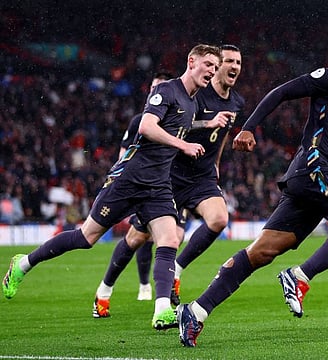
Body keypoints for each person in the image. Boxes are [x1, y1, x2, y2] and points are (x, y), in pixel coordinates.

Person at [176, 27, 328, 347]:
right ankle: (299, 277)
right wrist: (248, 128)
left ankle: (196, 310)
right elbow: (282, 92)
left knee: (262, 252)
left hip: (319, 179)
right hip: (314, 169)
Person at [2, 44, 222, 331]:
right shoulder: (167, 90)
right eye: (208, 64)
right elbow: (146, 126)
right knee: (86, 237)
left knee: (169, 240)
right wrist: (183, 145)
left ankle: (162, 310)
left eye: (215, 68)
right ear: (191, 61)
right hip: (129, 179)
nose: (212, 71)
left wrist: (207, 124)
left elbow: (181, 126)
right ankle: (23, 264)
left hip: (157, 185)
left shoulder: (193, 103)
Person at [92, 45, 245, 322]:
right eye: (227, 62)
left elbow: (221, 137)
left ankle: (175, 272)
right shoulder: (199, 90)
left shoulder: (236, 103)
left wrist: (217, 163)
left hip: (201, 177)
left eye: (238, 62)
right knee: (137, 238)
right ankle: (105, 289)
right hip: (171, 175)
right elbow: (172, 120)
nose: (233, 67)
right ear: (216, 65)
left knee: (219, 219)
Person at [118, 70, 173, 302]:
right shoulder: (139, 121)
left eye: (160, 87)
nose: (155, 91)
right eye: (153, 87)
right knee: (140, 237)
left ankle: (158, 289)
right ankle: (142, 285)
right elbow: (123, 153)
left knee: (161, 238)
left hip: (168, 186)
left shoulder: (179, 119)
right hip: (142, 185)